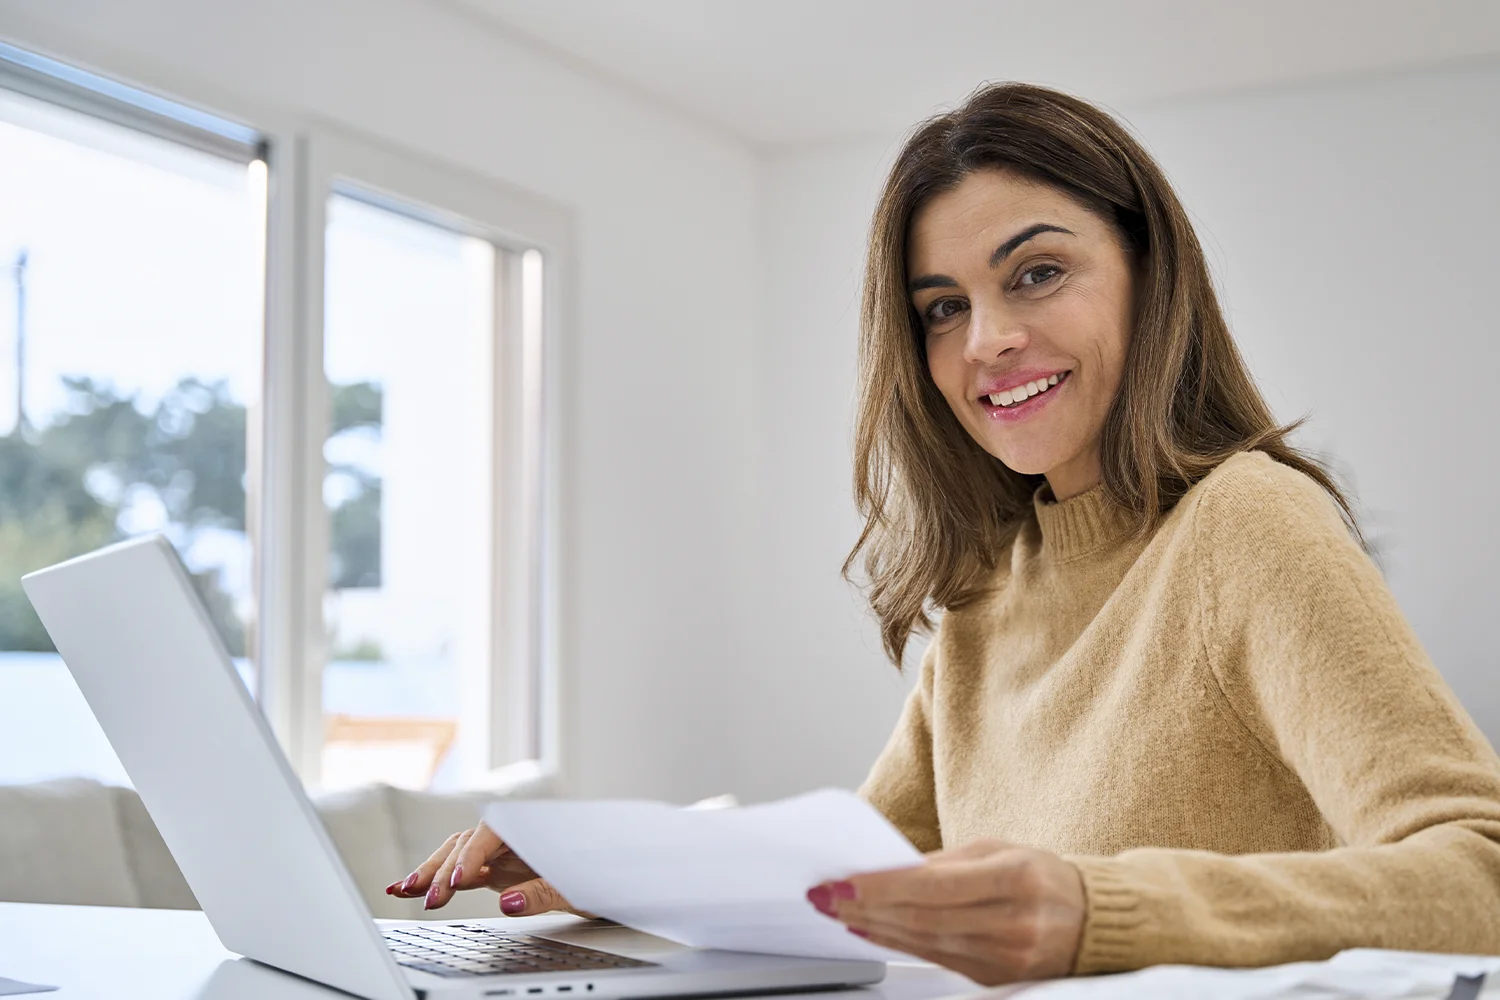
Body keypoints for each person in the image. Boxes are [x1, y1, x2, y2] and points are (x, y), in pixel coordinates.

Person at [389, 83, 1500, 985]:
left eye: (1038, 273)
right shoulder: (991, 591)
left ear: (1148, 277)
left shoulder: (1248, 524)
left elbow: (1480, 873)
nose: (989, 341)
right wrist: (600, 864)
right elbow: (853, 871)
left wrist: (1099, 908)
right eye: (943, 308)